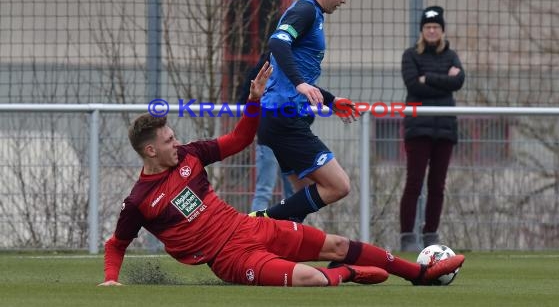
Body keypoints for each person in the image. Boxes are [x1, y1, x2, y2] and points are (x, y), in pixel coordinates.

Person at [99, 62, 465, 287]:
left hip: (249, 227)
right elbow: (117, 244)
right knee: (312, 279)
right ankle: (349, 273)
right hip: (230, 259)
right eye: (168, 139)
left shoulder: (190, 155)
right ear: (151, 151)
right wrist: (111, 280)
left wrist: (254, 100)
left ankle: (418, 274)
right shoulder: (139, 200)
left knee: (336, 244)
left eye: (174, 136)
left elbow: (240, 139)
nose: (176, 142)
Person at [251, 0, 359, 223]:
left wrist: (332, 101)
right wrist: (301, 84)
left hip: (282, 119)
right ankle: (258, 221)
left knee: (298, 207)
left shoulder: (312, 13)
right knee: (339, 185)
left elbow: (291, 74)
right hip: (284, 121)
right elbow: (277, 42)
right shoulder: (305, 10)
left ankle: (276, 258)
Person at [399, 6, 465, 252]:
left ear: (442, 30)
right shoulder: (410, 55)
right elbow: (414, 86)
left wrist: (429, 78)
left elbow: (458, 81)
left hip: (445, 128)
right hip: (419, 129)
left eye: (436, 27)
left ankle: (430, 235)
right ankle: (407, 237)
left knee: (437, 185)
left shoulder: (452, 55)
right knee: (414, 182)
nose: (432, 31)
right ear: (422, 30)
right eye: (428, 27)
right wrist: (443, 81)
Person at [237, 53, 295, 212]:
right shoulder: (270, 62)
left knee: (290, 191)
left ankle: (291, 229)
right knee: (266, 190)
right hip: (271, 133)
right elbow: (246, 96)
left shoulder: (298, 62)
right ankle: (255, 231)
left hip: (290, 135)